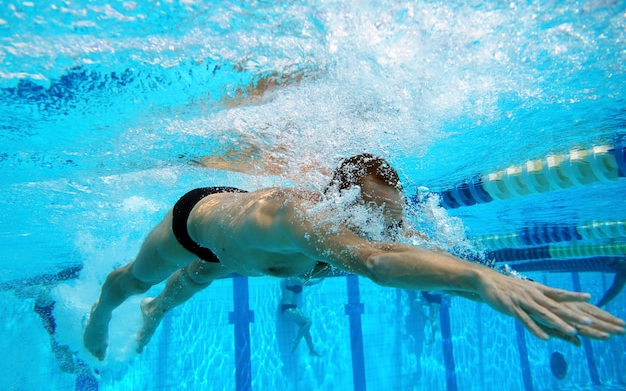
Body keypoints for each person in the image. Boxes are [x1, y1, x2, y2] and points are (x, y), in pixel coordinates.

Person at [83, 153, 625, 361]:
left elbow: (410, 257)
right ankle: (103, 312)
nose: (384, 227)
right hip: (200, 224)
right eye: (372, 214)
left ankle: (156, 314)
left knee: (202, 279)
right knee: (135, 280)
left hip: (244, 257)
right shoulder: (303, 220)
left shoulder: (377, 223)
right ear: (340, 201)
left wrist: (487, 281)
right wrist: (481, 283)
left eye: (390, 216)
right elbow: (377, 265)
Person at [279, 277, 324, 356]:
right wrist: (319, 280)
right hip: (288, 308)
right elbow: (307, 283)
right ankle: (297, 340)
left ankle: (311, 350)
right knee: (309, 321)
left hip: (293, 308)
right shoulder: (292, 279)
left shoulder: (295, 279)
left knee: (305, 328)